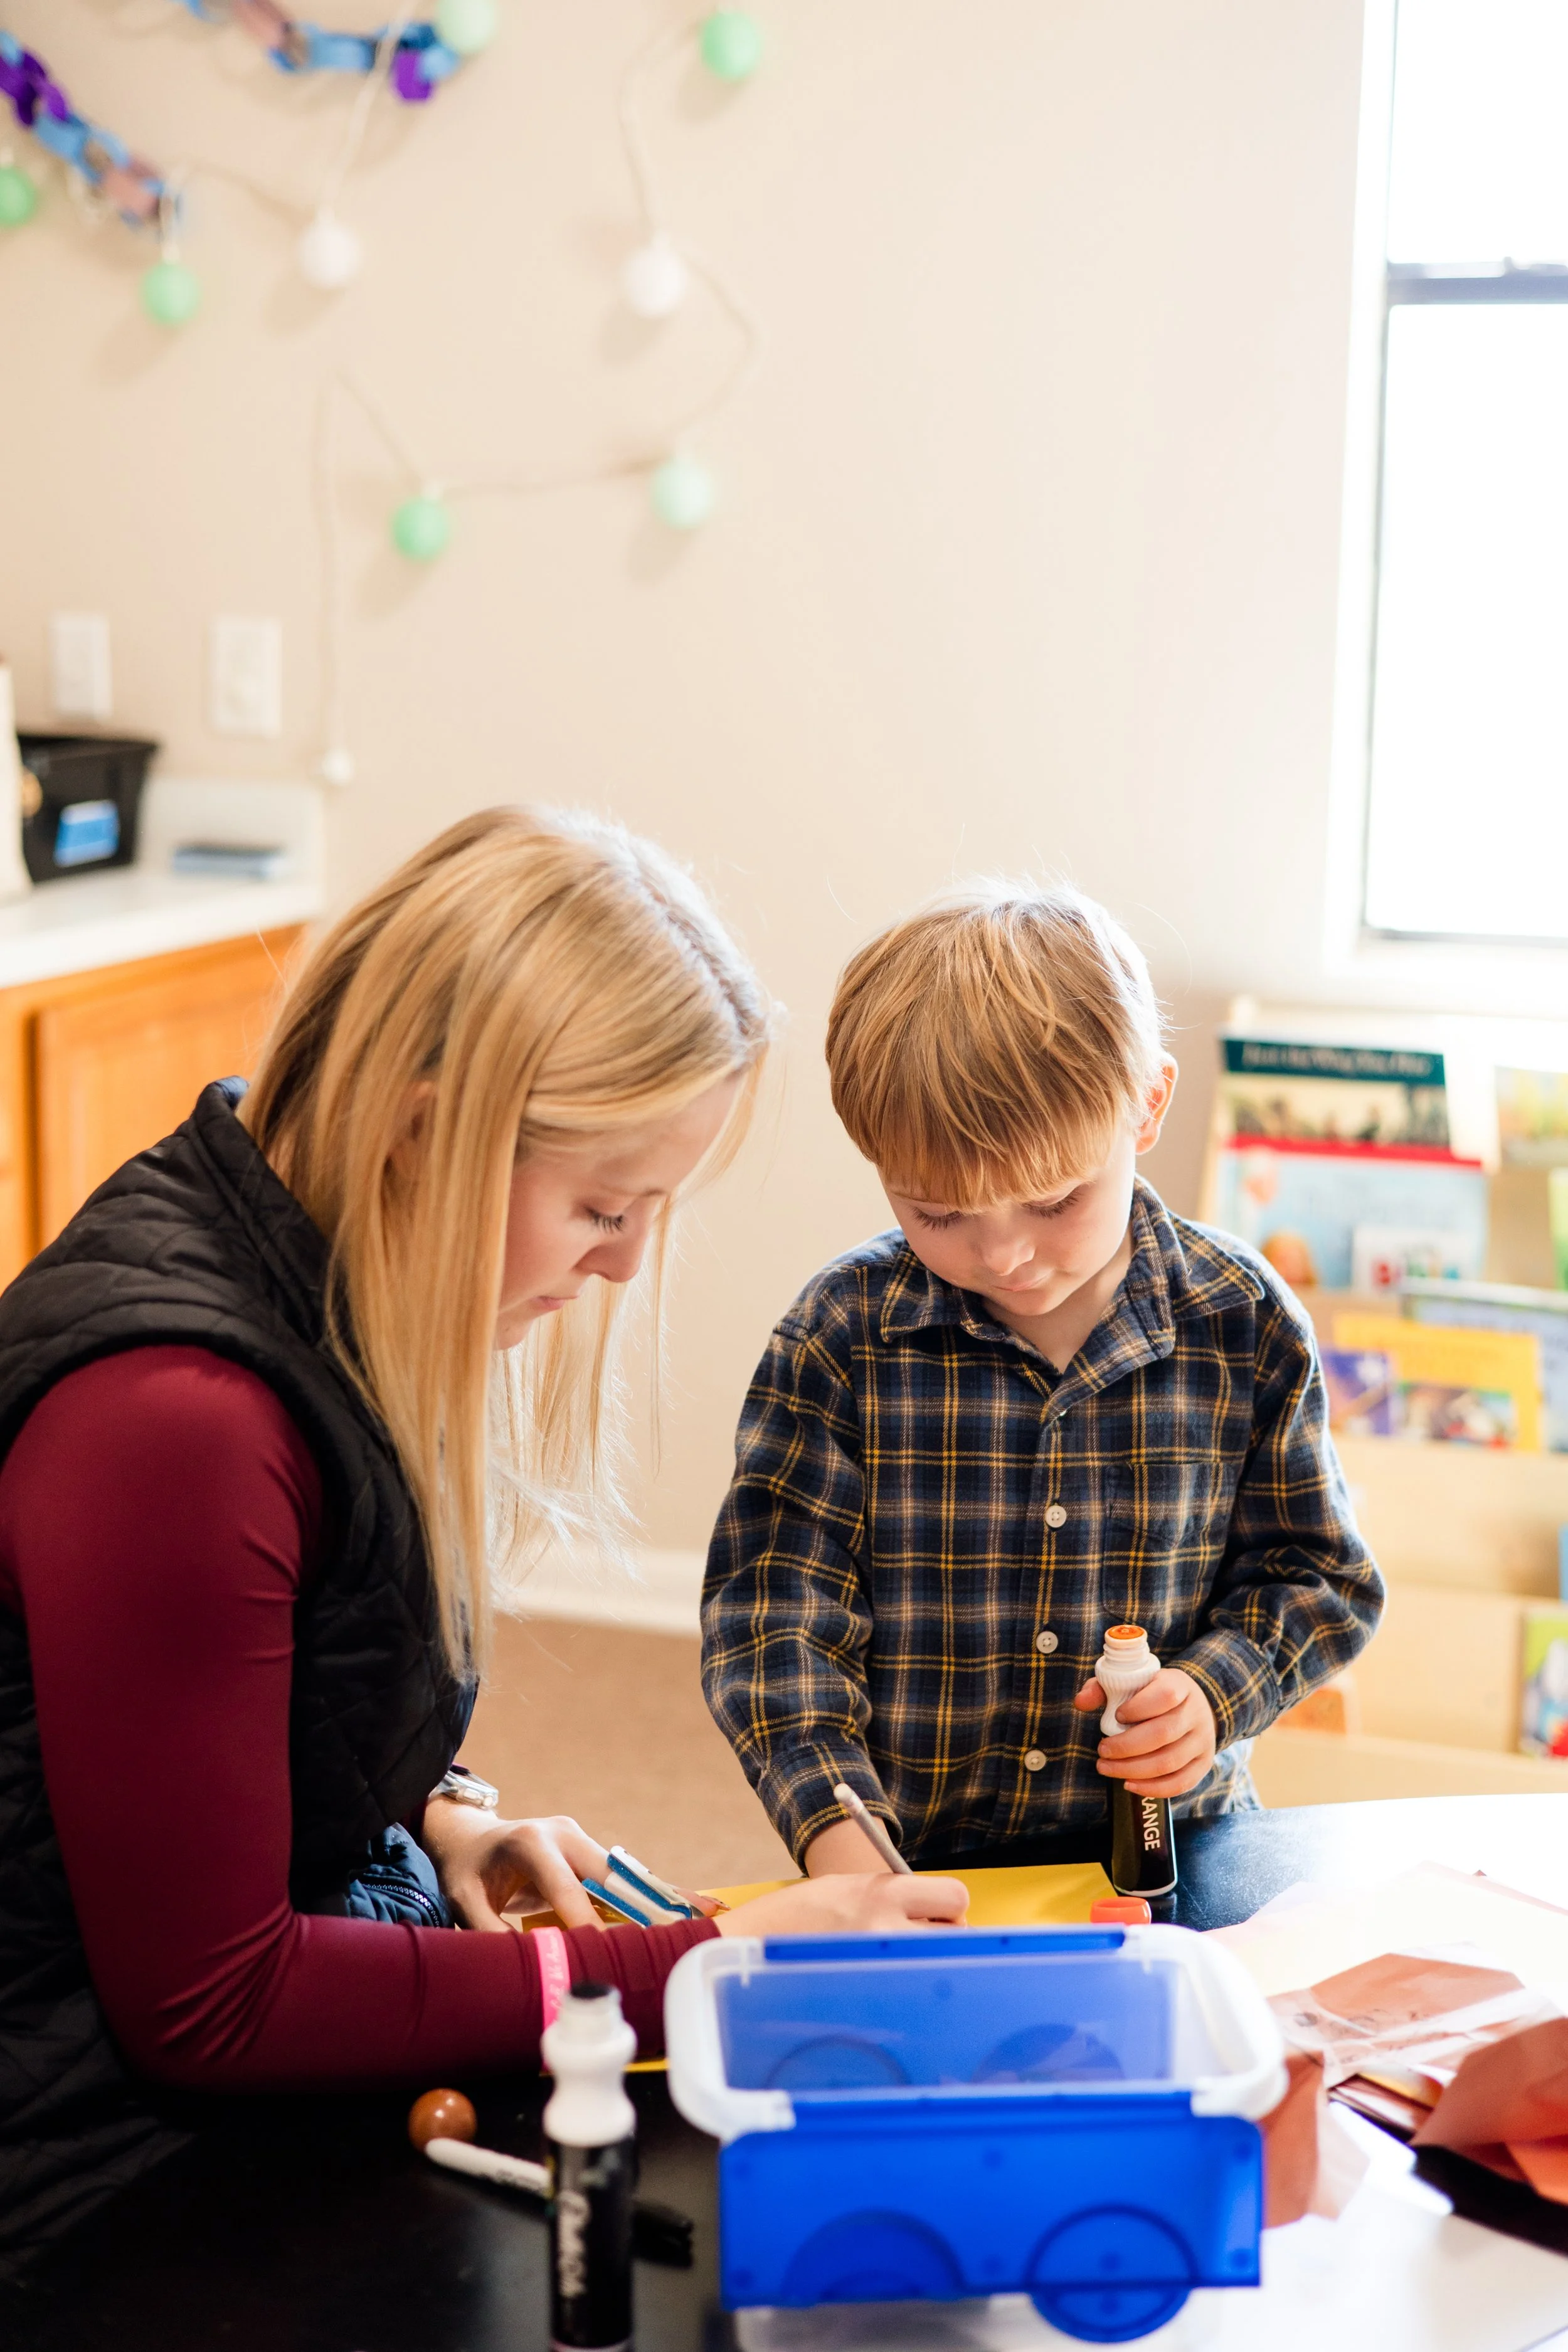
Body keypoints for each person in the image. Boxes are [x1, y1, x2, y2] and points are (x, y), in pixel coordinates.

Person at [0, 807, 966, 2285]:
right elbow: (212, 2004)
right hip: (94, 2174)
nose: (625, 1263)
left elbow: (248, 1703)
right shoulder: (175, 1423)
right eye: (600, 1205)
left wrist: (438, 1810)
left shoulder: (300, 1239)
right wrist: (722, 1964)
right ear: (423, 1126)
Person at [701, 880, 1384, 1876]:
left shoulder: (1243, 1321)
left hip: (1173, 1843)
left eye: (1055, 1200)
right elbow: (773, 1621)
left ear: (1147, 1105)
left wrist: (1211, 1692)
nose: (1005, 1253)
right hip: (919, 1856)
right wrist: (837, 1831)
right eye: (941, 1214)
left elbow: (1320, 1576)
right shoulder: (839, 1338)